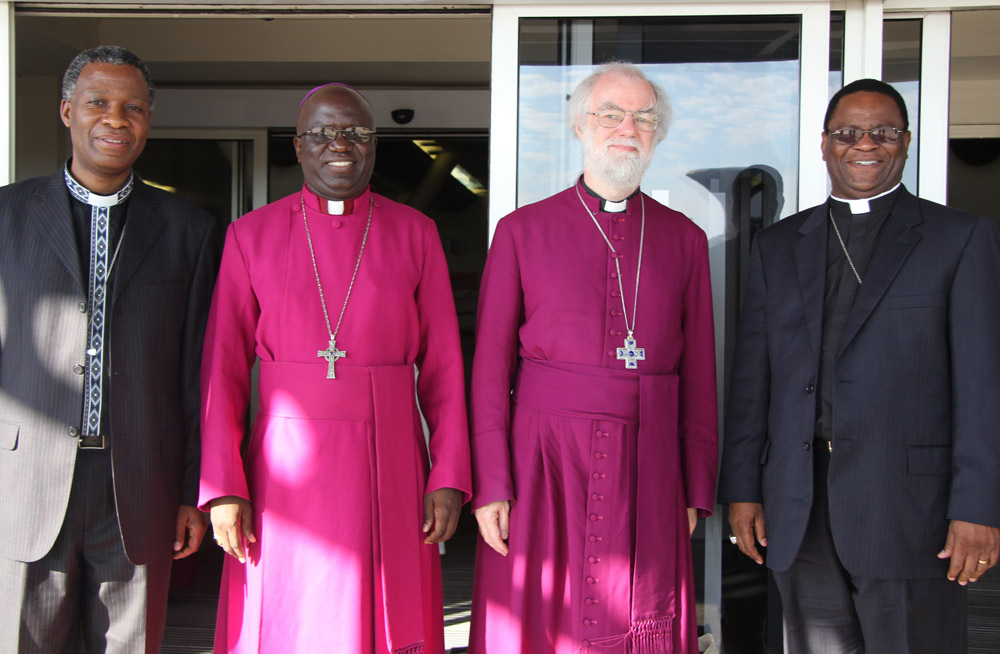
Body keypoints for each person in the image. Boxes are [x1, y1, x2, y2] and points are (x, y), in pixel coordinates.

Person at [719, 78, 1000, 654]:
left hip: (909, 511)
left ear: (906, 142)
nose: (864, 144)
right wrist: (743, 487)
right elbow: (754, 380)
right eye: (847, 133)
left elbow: (982, 386)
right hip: (799, 505)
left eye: (883, 132)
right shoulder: (777, 245)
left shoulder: (960, 238)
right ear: (824, 144)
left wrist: (977, 507)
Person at [198, 83, 471, 654]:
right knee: (290, 616)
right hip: (283, 471)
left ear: (373, 145)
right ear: (298, 147)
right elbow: (222, 369)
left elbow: (443, 367)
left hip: (391, 461)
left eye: (355, 133)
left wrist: (447, 474)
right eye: (323, 133)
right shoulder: (250, 235)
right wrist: (223, 486)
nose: (339, 144)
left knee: (387, 615)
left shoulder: (415, 233)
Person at [469, 61, 718, 654]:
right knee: (538, 618)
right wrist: (491, 483)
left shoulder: (684, 239)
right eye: (609, 114)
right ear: (580, 126)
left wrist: (695, 486)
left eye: (643, 117)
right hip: (542, 464)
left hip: (651, 462)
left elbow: (700, 376)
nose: (626, 128)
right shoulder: (521, 231)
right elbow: (488, 371)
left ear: (657, 135)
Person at [0, 45, 221, 652]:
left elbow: (195, 375)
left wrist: (189, 490)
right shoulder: (6, 216)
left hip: (139, 483)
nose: (115, 120)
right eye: (98, 103)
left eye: (133, 108)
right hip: (24, 479)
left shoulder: (190, 231)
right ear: (67, 110)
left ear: (148, 121)